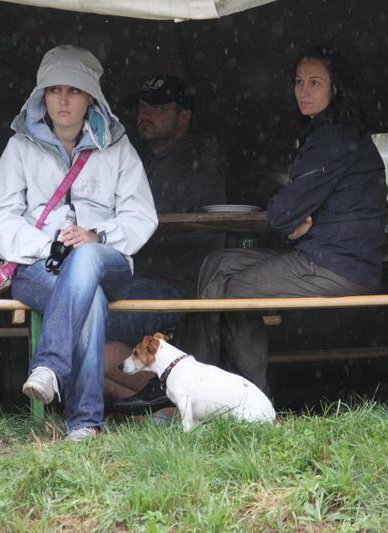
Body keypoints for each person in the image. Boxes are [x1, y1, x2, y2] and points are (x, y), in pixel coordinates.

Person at [181, 46, 388, 394]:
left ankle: (241, 396)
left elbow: (280, 213)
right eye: (298, 81)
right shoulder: (324, 132)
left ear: (336, 88)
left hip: (337, 264)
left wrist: (293, 219)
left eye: (315, 82)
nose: (303, 91)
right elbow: (290, 212)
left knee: (231, 292)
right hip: (322, 253)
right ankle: (200, 380)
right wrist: (295, 223)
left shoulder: (334, 138)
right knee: (216, 264)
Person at [0, 45, 157, 441]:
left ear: (91, 98)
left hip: (106, 261)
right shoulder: (20, 147)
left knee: (87, 259)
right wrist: (50, 246)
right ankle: (85, 423)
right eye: (54, 90)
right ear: (41, 96)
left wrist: (97, 236)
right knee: (89, 299)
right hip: (39, 266)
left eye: (74, 91)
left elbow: (141, 216)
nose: (63, 100)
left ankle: (49, 364)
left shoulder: (117, 146)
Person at [103, 75, 228, 407]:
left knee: (88, 326)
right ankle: (163, 407)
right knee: (78, 329)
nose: (146, 113)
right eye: (143, 106)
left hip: (170, 285)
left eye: (158, 108)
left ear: (183, 117)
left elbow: (137, 228)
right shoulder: (154, 161)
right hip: (143, 281)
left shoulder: (189, 162)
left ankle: (176, 397)